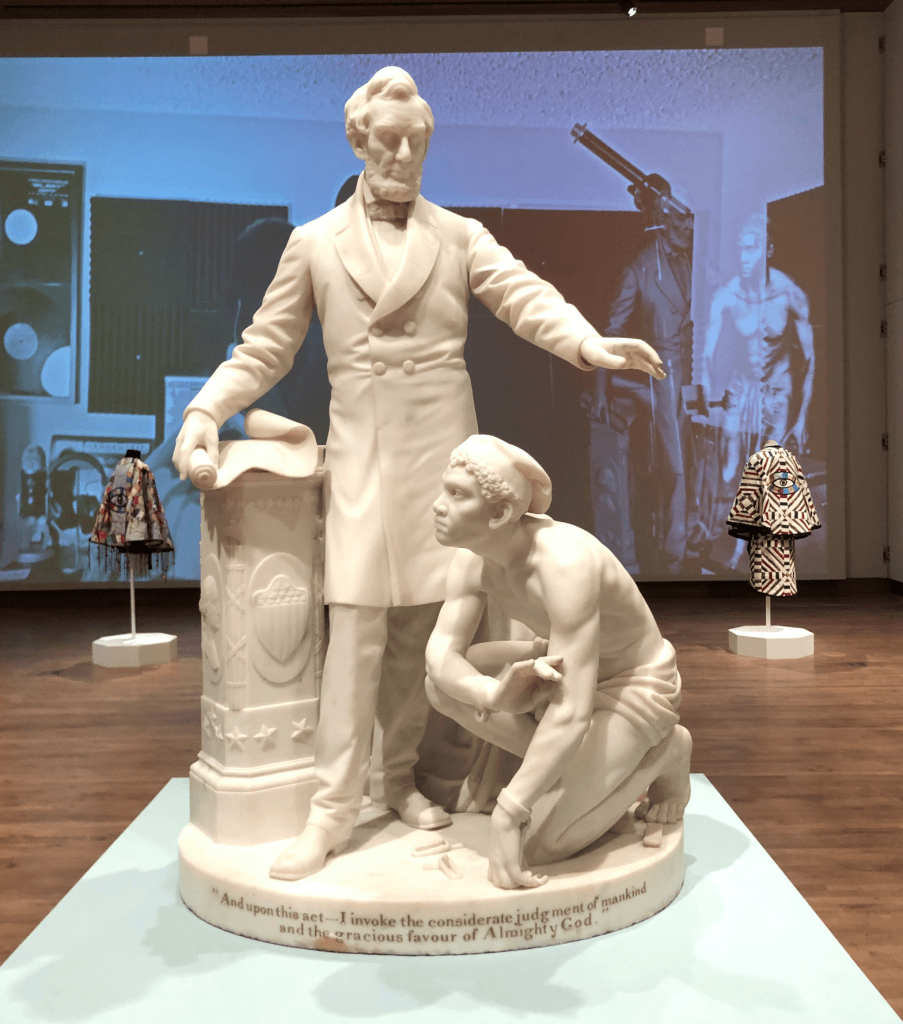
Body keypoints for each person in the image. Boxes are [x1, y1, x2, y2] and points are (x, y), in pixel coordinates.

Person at [172, 67, 665, 882]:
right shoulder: (314, 243)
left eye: (416, 141)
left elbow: (522, 295)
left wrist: (587, 343)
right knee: (356, 632)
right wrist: (203, 409)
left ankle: (399, 779)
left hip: (448, 461)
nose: (403, 155)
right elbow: (265, 347)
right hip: (363, 458)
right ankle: (332, 810)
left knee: (424, 634)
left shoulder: (458, 236)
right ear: (358, 141)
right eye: (388, 140)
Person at [425, 435, 691, 889]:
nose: (438, 505)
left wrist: (511, 810)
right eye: (444, 490)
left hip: (632, 686)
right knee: (444, 686)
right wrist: (493, 693)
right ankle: (585, 768)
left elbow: (571, 711)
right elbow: (441, 655)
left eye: (457, 494)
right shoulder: (473, 561)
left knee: (541, 845)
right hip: (563, 671)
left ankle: (666, 752)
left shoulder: (564, 563)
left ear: (500, 513)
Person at [586, 177, 694, 574]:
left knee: (701, 454)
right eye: (678, 221)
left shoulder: (697, 260)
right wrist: (601, 389)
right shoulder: (639, 270)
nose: (687, 228)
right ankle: (675, 547)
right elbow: (610, 334)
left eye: (688, 221)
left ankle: (690, 535)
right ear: (660, 221)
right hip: (664, 374)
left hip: (699, 371)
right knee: (675, 459)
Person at [701, 212, 814, 483]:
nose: (743, 257)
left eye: (751, 249)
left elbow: (810, 359)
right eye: (740, 249)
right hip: (742, 385)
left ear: (769, 250)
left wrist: (802, 418)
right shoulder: (727, 296)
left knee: (770, 468)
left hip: (778, 387)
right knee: (729, 463)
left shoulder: (789, 294)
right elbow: (706, 352)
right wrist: (706, 389)